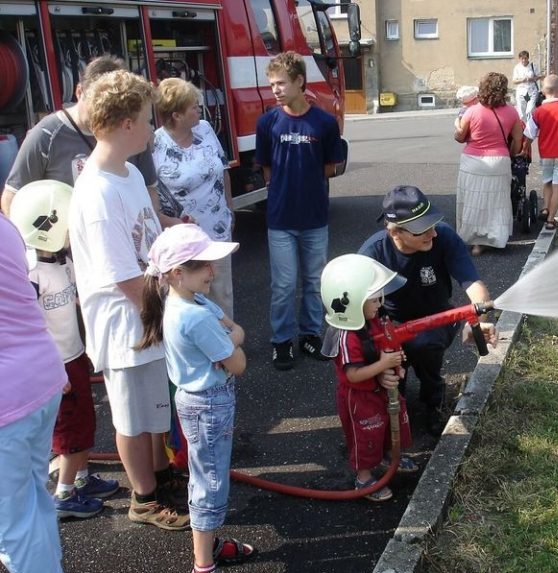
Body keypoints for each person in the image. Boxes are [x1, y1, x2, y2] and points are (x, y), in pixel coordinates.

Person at [68, 69, 189, 530]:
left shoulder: (130, 173)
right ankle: (143, 497)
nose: (151, 127)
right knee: (133, 418)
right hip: (127, 326)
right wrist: (172, 312)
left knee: (157, 408)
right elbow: (124, 276)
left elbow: (149, 237)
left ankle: (161, 476)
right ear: (124, 125)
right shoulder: (97, 193)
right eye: (145, 118)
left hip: (148, 316)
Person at [138, 223, 253, 573]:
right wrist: (231, 338)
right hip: (209, 404)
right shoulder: (195, 315)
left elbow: (235, 333)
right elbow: (239, 363)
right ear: (176, 273)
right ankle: (203, 565)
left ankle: (209, 544)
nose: (212, 272)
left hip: (200, 402)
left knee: (204, 473)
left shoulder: (190, 300)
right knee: (210, 482)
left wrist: (230, 338)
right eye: (203, 265)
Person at [9, 179, 119, 520]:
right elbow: (29, 324)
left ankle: (82, 479)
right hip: (56, 367)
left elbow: (76, 300)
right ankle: (64, 493)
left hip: (73, 357)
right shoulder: (32, 272)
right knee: (70, 430)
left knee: (85, 421)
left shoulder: (61, 262)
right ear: (49, 225)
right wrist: (54, 369)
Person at [359, 185, 497, 434]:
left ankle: (434, 401)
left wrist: (480, 319)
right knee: (391, 379)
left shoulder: (442, 237)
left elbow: (473, 283)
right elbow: (357, 313)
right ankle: (396, 401)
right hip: (389, 325)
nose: (432, 234)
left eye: (432, 224)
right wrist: (374, 363)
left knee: (424, 347)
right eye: (422, 229)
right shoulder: (372, 254)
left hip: (437, 319)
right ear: (394, 231)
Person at [0, 55, 177, 228]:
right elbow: (12, 197)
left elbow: (149, 191)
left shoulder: (131, 135)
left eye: (113, 103)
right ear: (79, 91)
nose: (103, 108)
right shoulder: (46, 134)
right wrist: (35, 245)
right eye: (97, 100)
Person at [254, 50, 345, 370]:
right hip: (280, 219)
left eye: (281, 83)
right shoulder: (267, 122)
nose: (275, 89)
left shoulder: (323, 122)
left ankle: (309, 334)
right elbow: (266, 170)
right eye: (272, 84)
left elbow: (330, 167)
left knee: (313, 281)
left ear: (299, 81)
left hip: (314, 218)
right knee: (283, 284)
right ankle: (281, 341)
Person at [321, 254, 418, 502]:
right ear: (352, 302)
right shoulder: (347, 336)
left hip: (379, 390)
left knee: (386, 427)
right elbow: (352, 375)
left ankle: (387, 456)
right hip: (359, 398)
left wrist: (396, 364)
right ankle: (363, 478)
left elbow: (387, 345)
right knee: (366, 435)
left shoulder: (374, 321)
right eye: (373, 299)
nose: (379, 303)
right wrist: (383, 365)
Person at [0, 211, 66, 573]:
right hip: (40, 376)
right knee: (35, 502)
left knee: (14, 528)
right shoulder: (3, 223)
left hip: (7, 399)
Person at [153, 78, 235, 318]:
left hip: (217, 231)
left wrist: (230, 210)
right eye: (193, 106)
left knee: (222, 297)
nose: (199, 109)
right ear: (176, 115)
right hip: (184, 242)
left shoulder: (206, 129)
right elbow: (151, 196)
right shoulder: (155, 144)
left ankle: (227, 351)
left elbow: (223, 170)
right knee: (190, 304)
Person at [454, 72, 522, 255]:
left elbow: (460, 137)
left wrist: (457, 126)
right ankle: (495, 238)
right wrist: (510, 154)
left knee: (473, 202)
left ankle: (476, 243)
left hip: (473, 161)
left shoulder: (472, 111)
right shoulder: (512, 112)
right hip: (499, 160)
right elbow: (517, 140)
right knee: (497, 202)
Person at [523, 74, 558, 231]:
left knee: (547, 182)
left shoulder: (538, 112)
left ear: (542, 91)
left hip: (546, 154)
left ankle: (545, 208)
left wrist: (524, 148)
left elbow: (529, 133)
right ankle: (550, 220)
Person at [511, 50, 543, 120]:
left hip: (531, 90)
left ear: (528, 58)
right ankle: (525, 128)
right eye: (522, 59)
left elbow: (540, 76)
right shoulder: (517, 67)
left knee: (529, 110)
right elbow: (514, 81)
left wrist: (532, 78)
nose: (524, 60)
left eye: (525, 58)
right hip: (522, 91)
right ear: (519, 59)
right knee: (522, 113)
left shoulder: (533, 66)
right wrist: (522, 80)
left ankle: (532, 125)